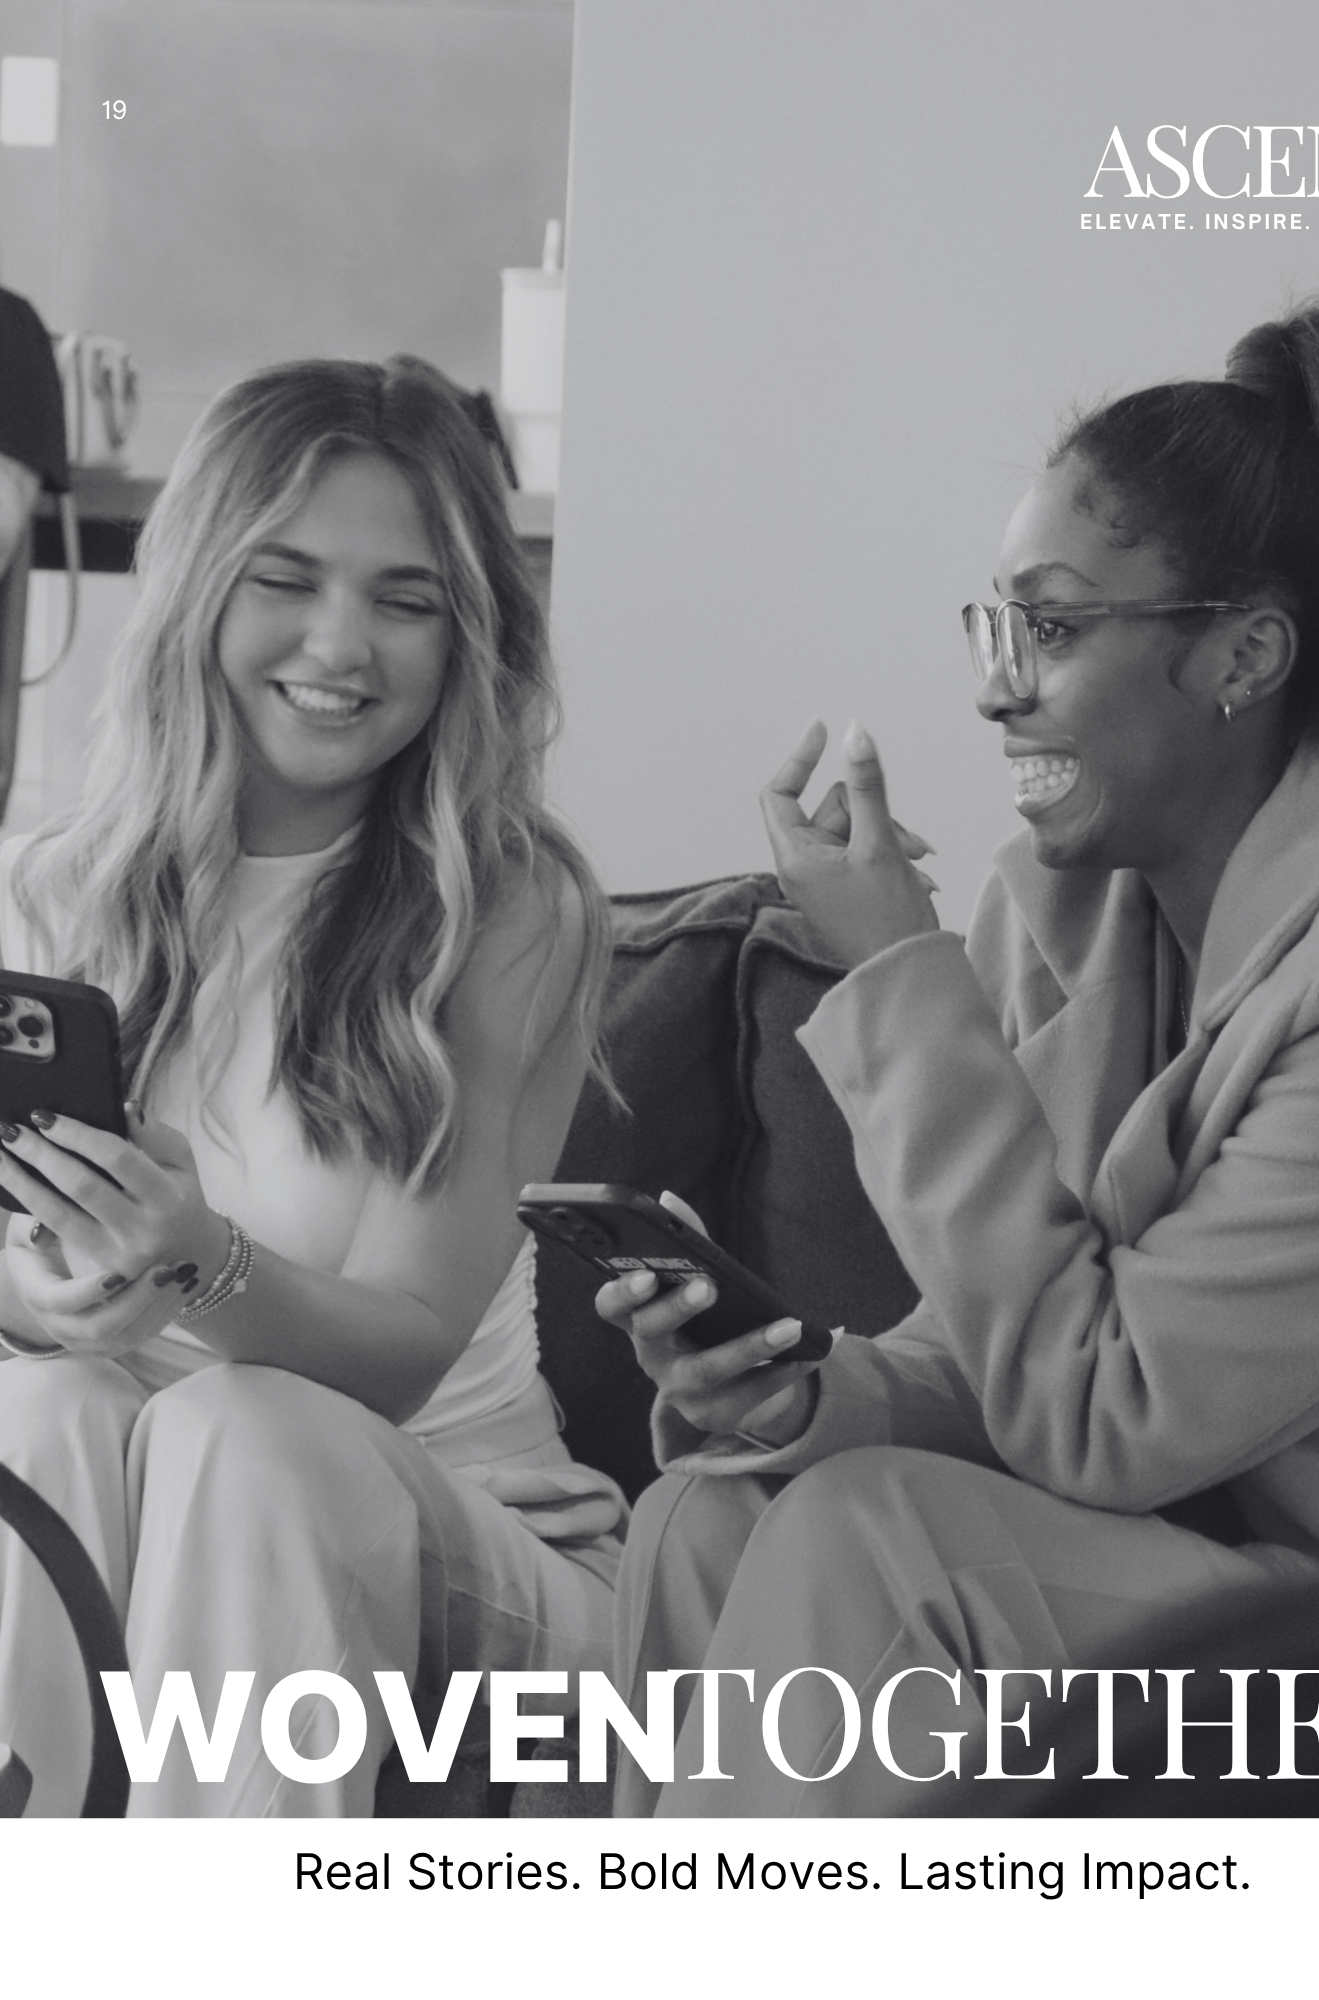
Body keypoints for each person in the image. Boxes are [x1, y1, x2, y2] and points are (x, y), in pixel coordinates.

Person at [600, 301, 1319, 1815]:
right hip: (1216, 1566)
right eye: (998, 625)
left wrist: (899, 974)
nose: (994, 686)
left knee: (879, 1542)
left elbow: (1105, 1415)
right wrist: (799, 1395)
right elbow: (1009, 1339)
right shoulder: (1076, 903)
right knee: (719, 1518)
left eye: (1051, 626)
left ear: (1243, 655)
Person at [0, 356, 623, 1816]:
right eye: (287, 579)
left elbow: (402, 1351)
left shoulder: (507, 909)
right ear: (203, 586)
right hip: (151, 1508)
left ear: (466, 634)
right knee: (45, 1408)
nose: (343, 647)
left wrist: (198, 1259)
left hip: (465, 1525)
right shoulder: (53, 888)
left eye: (406, 601)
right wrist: (50, 1298)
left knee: (242, 1430)